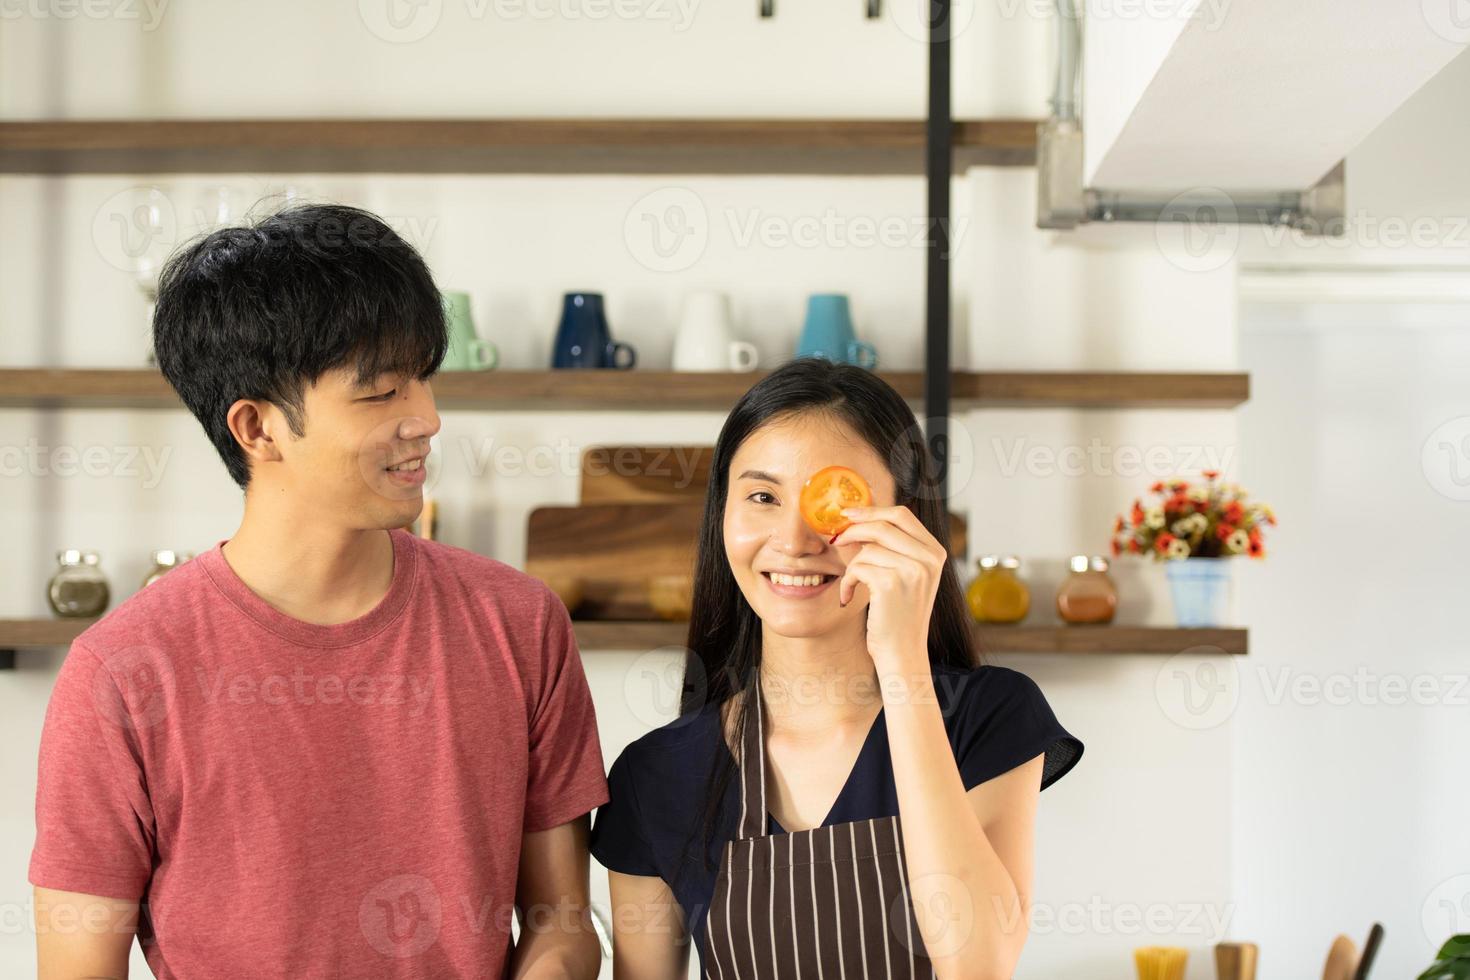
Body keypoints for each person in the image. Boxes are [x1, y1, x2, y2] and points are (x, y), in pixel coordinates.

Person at [29, 203, 608, 979]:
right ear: (257, 429)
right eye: (380, 394)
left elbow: (563, 926)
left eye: (424, 381)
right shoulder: (122, 672)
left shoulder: (518, 622)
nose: (427, 418)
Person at [591, 357, 1084, 978]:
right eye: (763, 496)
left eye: (836, 500)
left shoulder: (987, 717)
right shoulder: (656, 774)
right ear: (722, 516)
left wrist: (902, 660)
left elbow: (979, 963)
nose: (795, 540)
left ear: (906, 521)